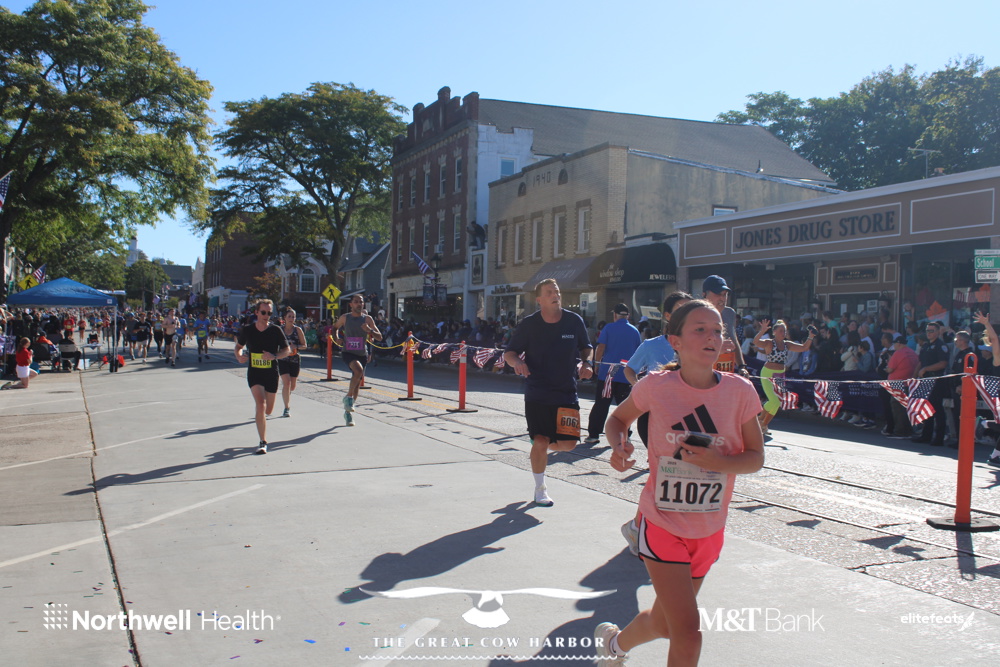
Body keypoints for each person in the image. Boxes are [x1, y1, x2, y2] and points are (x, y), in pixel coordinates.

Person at [594, 300, 765, 666]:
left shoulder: (740, 391)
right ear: (676, 341)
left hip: (709, 529)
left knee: (665, 623)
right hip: (662, 523)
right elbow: (617, 420)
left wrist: (719, 462)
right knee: (688, 635)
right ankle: (614, 647)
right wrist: (619, 445)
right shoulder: (657, 386)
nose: (711, 337)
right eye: (700, 330)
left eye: (717, 331)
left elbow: (755, 458)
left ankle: (613, 646)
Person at [503, 279, 593, 507]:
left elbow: (586, 347)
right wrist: (517, 363)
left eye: (558, 292)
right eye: (550, 292)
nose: (556, 295)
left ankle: (540, 444)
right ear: (539, 300)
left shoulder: (574, 321)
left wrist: (587, 363)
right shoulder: (529, 324)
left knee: (569, 444)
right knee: (541, 440)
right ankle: (540, 488)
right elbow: (509, 353)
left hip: (566, 392)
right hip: (538, 392)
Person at [619, 290, 693, 555]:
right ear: (668, 315)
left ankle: (642, 526)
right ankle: (645, 528)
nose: (687, 313)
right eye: (681, 308)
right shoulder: (651, 345)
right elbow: (629, 368)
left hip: (685, 418)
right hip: (653, 417)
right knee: (662, 474)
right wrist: (640, 388)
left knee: (679, 475)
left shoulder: (694, 344)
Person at [234, 299, 290, 454]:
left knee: (269, 410)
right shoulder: (248, 330)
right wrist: (239, 356)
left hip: (271, 373)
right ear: (257, 313)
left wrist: (274, 356)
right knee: (261, 404)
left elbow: (286, 350)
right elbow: (238, 347)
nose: (266, 315)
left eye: (269, 313)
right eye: (264, 312)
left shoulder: (275, 330)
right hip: (255, 373)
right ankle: (263, 442)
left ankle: (263, 421)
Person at [585, 304, 641, 444]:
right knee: (624, 406)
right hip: (626, 372)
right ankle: (625, 434)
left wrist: (597, 364)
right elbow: (638, 353)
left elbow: (600, 347)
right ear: (628, 316)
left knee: (602, 404)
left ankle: (594, 434)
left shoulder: (609, 328)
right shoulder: (635, 331)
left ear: (615, 315)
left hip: (609, 372)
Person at [753, 319, 815, 435]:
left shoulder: (787, 344)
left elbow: (804, 347)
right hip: (768, 373)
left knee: (777, 402)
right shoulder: (769, 343)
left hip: (780, 375)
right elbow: (756, 342)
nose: (783, 333)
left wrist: (810, 337)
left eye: (784, 331)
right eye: (781, 331)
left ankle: (763, 424)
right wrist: (762, 331)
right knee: (774, 400)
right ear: (774, 332)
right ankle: (760, 419)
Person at [332, 294, 383, 426]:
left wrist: (369, 330)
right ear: (351, 304)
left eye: (361, 302)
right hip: (348, 352)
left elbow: (379, 337)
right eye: (356, 302)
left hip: (361, 353)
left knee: (357, 381)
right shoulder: (345, 317)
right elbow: (334, 328)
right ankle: (348, 398)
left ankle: (348, 412)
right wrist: (337, 338)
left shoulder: (367, 319)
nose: (359, 304)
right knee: (358, 371)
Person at [700, 275, 748, 376]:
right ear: (704, 294)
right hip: (702, 373)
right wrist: (716, 350)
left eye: (725, 294)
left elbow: (734, 341)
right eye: (718, 294)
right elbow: (689, 348)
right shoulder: (695, 315)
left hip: (726, 373)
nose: (722, 298)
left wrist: (741, 366)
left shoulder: (729, 313)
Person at [911, 322, 949, 446]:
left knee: (937, 409)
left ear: (938, 332)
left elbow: (943, 363)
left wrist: (926, 369)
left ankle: (939, 438)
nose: (929, 333)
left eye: (932, 331)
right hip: (925, 380)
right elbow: (920, 362)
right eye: (927, 331)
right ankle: (926, 435)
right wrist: (914, 376)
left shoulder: (940, 345)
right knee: (926, 408)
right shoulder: (926, 346)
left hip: (936, 381)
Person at [278, 308, 307, 418]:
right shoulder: (279, 330)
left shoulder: (298, 330)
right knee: (287, 383)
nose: (291, 319)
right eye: (289, 316)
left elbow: (304, 345)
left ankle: (287, 394)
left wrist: (296, 346)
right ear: (284, 318)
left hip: (294, 360)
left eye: (293, 317)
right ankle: (286, 408)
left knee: (292, 386)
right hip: (283, 359)